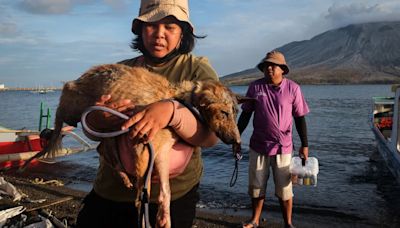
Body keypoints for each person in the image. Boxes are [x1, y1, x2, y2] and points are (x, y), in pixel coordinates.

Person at [76, 0, 219, 227]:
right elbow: (92, 131)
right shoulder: (120, 71)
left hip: (172, 196)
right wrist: (98, 119)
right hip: (110, 188)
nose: (159, 34)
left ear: (183, 32)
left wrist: (173, 112)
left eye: (170, 27)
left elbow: (210, 137)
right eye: (151, 25)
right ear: (140, 30)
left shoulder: (195, 70)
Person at [237, 51, 310, 228]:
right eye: (266, 65)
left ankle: (288, 223)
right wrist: (236, 139)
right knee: (256, 186)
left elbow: (300, 118)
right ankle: (254, 221)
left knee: (285, 189)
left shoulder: (293, 88)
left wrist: (304, 145)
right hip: (258, 146)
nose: (269, 68)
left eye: (273, 65)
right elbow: (246, 115)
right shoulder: (255, 87)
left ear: (282, 69)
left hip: (283, 148)